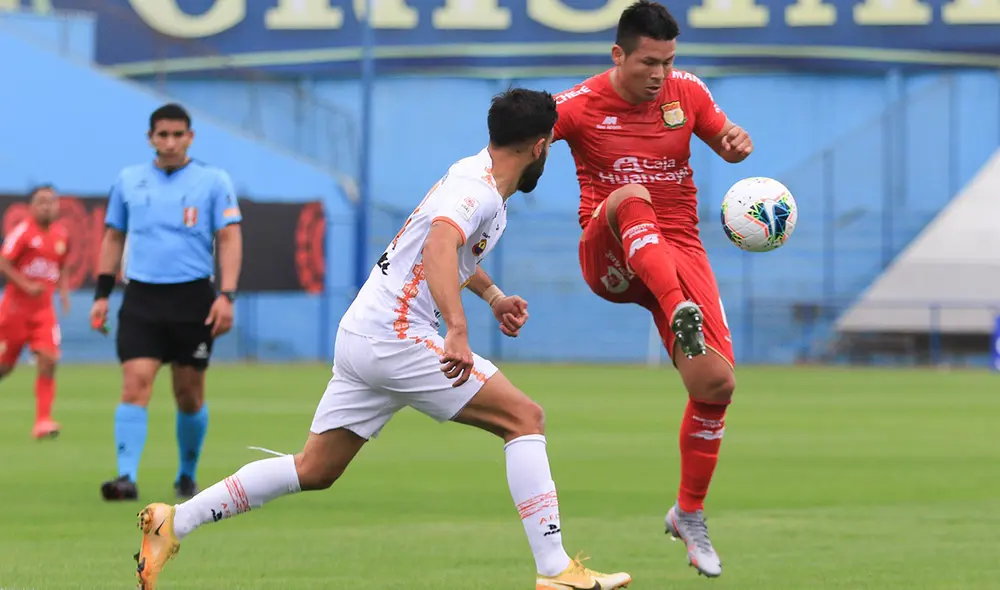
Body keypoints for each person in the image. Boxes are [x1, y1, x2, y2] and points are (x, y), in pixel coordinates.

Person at [130, 89, 632, 590]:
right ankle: (555, 571)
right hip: (396, 336)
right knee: (525, 419)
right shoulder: (476, 190)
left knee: (315, 467)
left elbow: (448, 251)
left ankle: (173, 520)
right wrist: (456, 329)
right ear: (542, 146)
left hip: (364, 333)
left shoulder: (476, 176)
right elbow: (438, 246)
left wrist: (494, 295)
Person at [552, 0, 755, 578]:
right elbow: (517, 149)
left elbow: (723, 136)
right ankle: (678, 307)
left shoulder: (685, 92)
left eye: (668, 62)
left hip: (679, 249)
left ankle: (688, 512)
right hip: (612, 253)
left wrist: (737, 141)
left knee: (716, 384)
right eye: (648, 63)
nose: (660, 75)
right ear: (619, 55)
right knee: (629, 195)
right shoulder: (579, 105)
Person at [91, 103, 244, 502]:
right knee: (135, 383)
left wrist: (226, 295)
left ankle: (186, 475)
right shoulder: (129, 180)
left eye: (179, 135)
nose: (171, 142)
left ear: (190, 137)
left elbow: (228, 238)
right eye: (163, 135)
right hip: (142, 297)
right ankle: (125, 477)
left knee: (188, 393)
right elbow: (112, 238)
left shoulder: (213, 180)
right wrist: (102, 295)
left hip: (193, 297)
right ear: (150, 138)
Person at [0, 185, 70, 439]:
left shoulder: (61, 235)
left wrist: (62, 291)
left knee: (49, 360)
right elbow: (3, 261)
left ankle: (43, 421)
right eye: (41, 202)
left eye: (51, 201)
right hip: (14, 311)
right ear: (31, 206)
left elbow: (61, 265)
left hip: (43, 312)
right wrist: (26, 285)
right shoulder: (23, 233)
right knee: (4, 366)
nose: (47, 206)